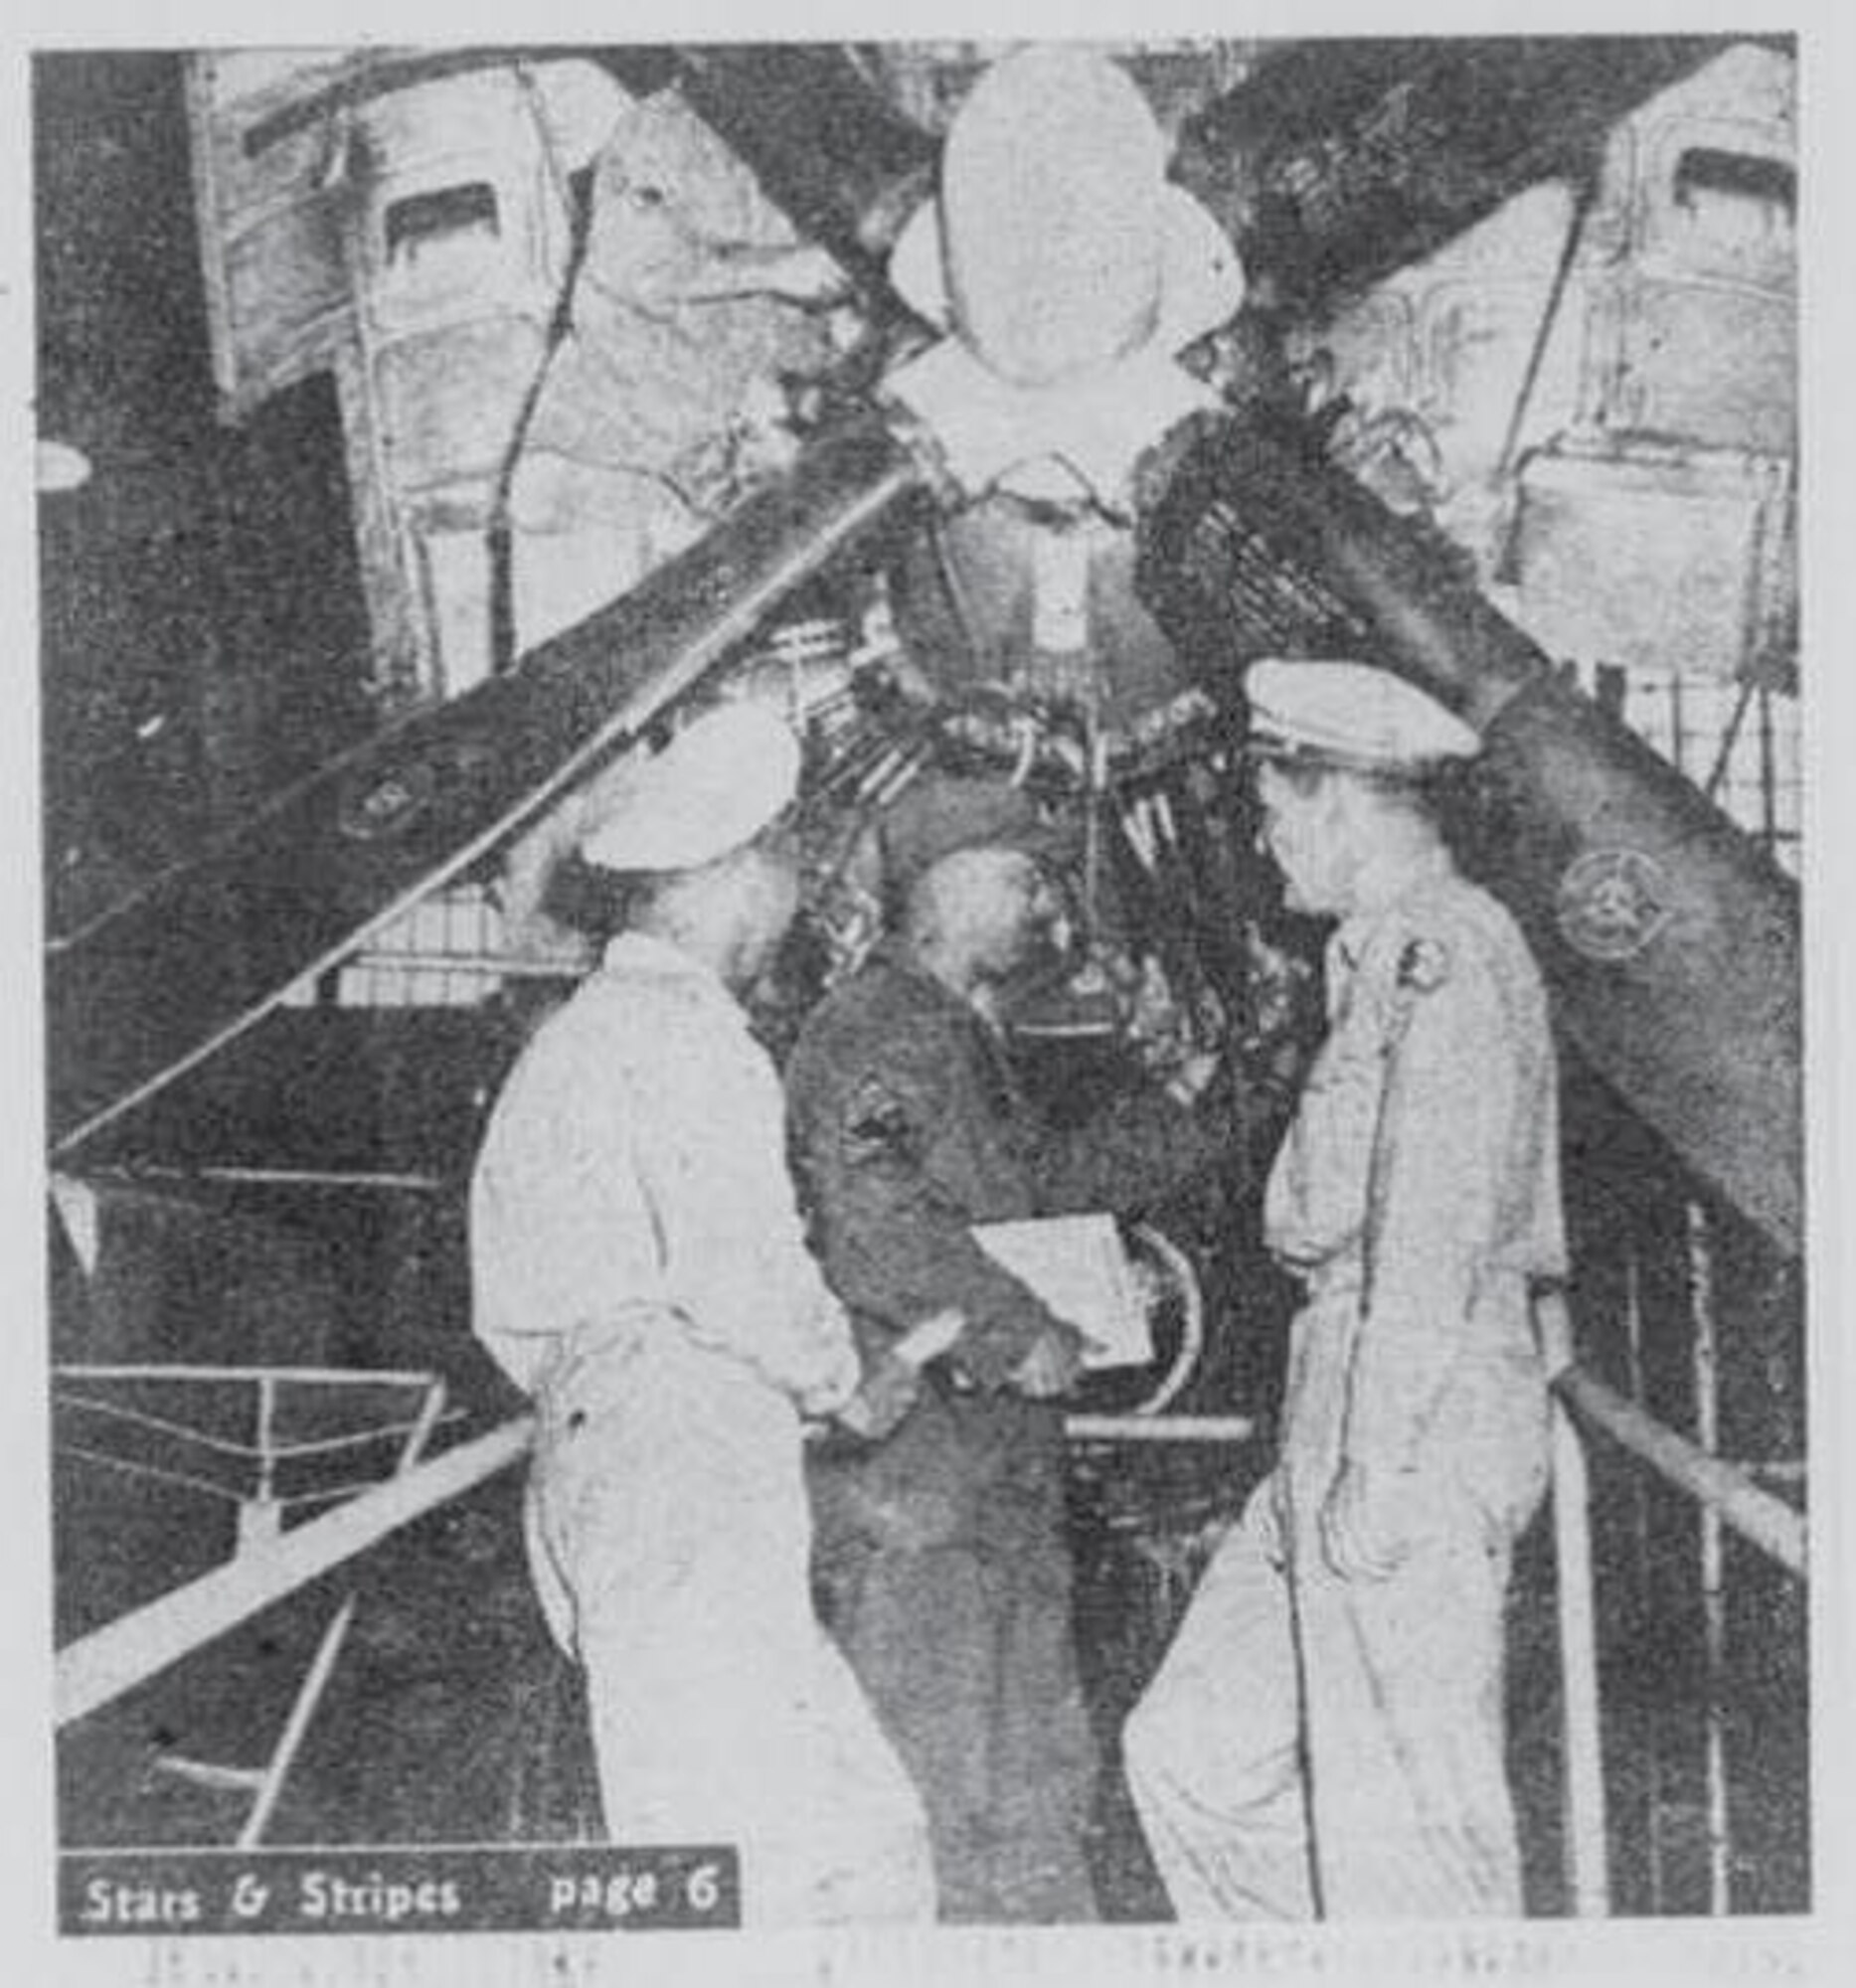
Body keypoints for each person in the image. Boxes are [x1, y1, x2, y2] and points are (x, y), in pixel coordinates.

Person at [468, 703, 934, 1926]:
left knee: (860, 1843)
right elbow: (740, 1275)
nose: (797, 899)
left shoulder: (572, 1042)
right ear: (742, 870)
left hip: (605, 1449)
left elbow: (515, 1318)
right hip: (684, 1463)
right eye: (789, 864)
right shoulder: (689, 1040)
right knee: (746, 1874)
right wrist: (847, 1379)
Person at [1123, 659, 1567, 1920]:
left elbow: (1430, 1224)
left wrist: (1375, 1456)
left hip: (1409, 1406)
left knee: (1409, 1832)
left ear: (1334, 802)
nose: (1265, 852)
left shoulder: (1448, 952)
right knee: (1193, 1755)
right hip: (1349, 1387)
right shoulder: (1378, 962)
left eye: (1270, 814)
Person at [785, 773, 1236, 1922]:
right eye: (1022, 877)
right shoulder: (876, 1028)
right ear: (946, 884)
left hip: (984, 1478)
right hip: (917, 1490)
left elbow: (1034, 1196)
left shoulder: (954, 1034)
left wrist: (1199, 1101)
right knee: (936, 1790)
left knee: (1030, 1783)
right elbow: (873, 1214)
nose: (1044, 904)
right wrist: (1012, 1325)